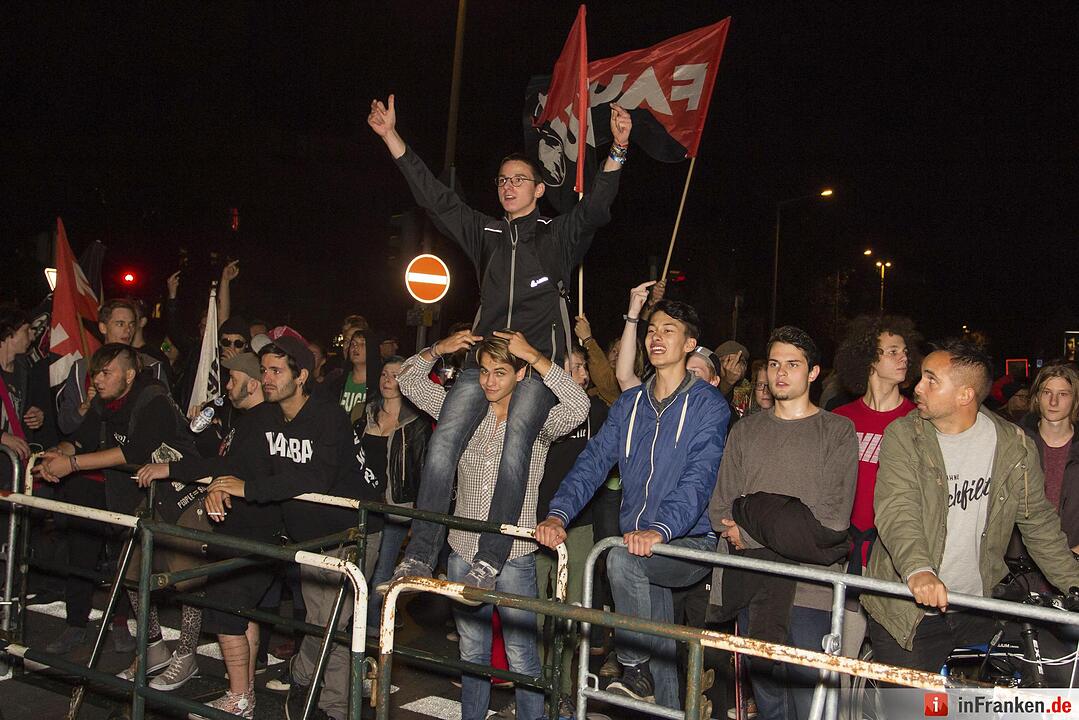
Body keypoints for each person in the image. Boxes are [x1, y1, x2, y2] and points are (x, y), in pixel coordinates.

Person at [370, 93, 631, 588]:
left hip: (533, 369)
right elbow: (436, 198)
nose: (509, 187)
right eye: (503, 181)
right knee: (443, 443)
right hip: (483, 362)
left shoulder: (555, 237)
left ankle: (491, 557)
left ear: (539, 189)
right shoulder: (485, 233)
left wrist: (617, 150)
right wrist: (390, 136)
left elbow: (596, 208)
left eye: (519, 180)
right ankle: (420, 555)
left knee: (516, 449)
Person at [537, 300, 730, 710]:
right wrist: (558, 514)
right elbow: (592, 463)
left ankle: (633, 668)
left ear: (690, 343)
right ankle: (663, 696)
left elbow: (700, 477)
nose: (656, 337)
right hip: (641, 544)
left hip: (687, 542)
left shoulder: (708, 404)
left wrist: (660, 529)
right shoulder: (629, 405)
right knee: (660, 643)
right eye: (652, 329)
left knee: (622, 560)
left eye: (668, 330)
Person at [394, 329, 589, 720]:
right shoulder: (462, 410)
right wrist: (439, 348)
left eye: (500, 372)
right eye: (483, 371)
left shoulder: (537, 422)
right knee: (471, 652)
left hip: (514, 554)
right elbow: (408, 381)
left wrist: (534, 357)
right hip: (463, 549)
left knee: (521, 655)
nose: (489, 381)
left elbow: (578, 405)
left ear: (519, 374)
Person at [863, 339, 1079, 688]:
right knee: (912, 707)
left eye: (931, 380)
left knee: (1043, 678)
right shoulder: (904, 435)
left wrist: (1074, 583)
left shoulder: (1013, 445)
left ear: (965, 395)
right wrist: (919, 571)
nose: (917, 387)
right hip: (907, 612)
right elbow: (897, 509)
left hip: (977, 607)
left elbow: (1038, 524)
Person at [204, 329, 380, 720]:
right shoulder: (266, 416)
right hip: (310, 537)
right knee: (320, 623)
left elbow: (316, 477)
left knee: (331, 626)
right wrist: (217, 485)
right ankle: (305, 678)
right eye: (264, 370)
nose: (266, 378)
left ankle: (332, 707)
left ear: (300, 376)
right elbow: (236, 460)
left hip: (353, 530)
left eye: (276, 371)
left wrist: (247, 488)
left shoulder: (328, 416)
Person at [35, 343, 206, 691]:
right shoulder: (104, 403)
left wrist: (71, 465)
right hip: (139, 502)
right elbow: (81, 441)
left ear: (129, 375)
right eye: (95, 373)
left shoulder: (153, 398)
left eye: (105, 372)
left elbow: (134, 450)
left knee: (187, 579)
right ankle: (153, 648)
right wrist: (57, 454)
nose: (97, 380)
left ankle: (187, 655)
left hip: (180, 497)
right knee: (132, 576)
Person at [709, 326, 857, 720]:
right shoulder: (745, 431)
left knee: (811, 705)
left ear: (813, 372)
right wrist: (784, 522)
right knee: (769, 702)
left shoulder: (837, 431)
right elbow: (721, 509)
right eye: (774, 364)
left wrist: (750, 523)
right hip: (752, 585)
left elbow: (831, 523)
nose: (781, 373)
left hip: (812, 589)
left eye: (792, 364)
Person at [138, 352, 281, 719]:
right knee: (241, 614)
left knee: (226, 611)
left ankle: (238, 698)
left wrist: (172, 469)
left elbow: (231, 468)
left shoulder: (263, 421)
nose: (227, 387)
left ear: (252, 384)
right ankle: (244, 695)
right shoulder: (247, 420)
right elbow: (221, 461)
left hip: (249, 531)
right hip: (245, 529)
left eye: (233, 380)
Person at [534, 345, 608, 716]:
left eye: (584, 367)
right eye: (574, 367)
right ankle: (534, 687)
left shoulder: (597, 411)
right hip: (532, 525)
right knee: (533, 612)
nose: (582, 374)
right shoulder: (537, 410)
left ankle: (563, 689)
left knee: (570, 613)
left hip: (579, 525)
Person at [832, 315, 920, 574]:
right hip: (841, 551)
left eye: (905, 352)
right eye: (893, 352)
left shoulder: (917, 421)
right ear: (869, 358)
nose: (903, 358)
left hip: (892, 555)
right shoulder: (840, 419)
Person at [358, 355, 432, 629]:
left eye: (397, 375)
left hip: (396, 508)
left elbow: (423, 472)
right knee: (360, 568)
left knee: (383, 570)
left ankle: (372, 629)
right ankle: (355, 625)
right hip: (363, 505)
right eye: (384, 374)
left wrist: (419, 518)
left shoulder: (416, 424)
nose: (389, 380)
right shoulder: (365, 415)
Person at [57, 298, 165, 436]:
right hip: (90, 447)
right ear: (103, 327)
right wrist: (85, 407)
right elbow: (65, 424)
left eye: (132, 324)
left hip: (133, 446)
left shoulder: (151, 367)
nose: (128, 330)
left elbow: (163, 421)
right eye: (120, 324)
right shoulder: (82, 368)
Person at [1022, 364, 1079, 549]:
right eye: (1047, 392)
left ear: (1075, 399)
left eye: (1063, 394)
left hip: (1073, 554)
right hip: (1021, 557)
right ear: (1037, 397)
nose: (1053, 402)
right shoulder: (1015, 443)